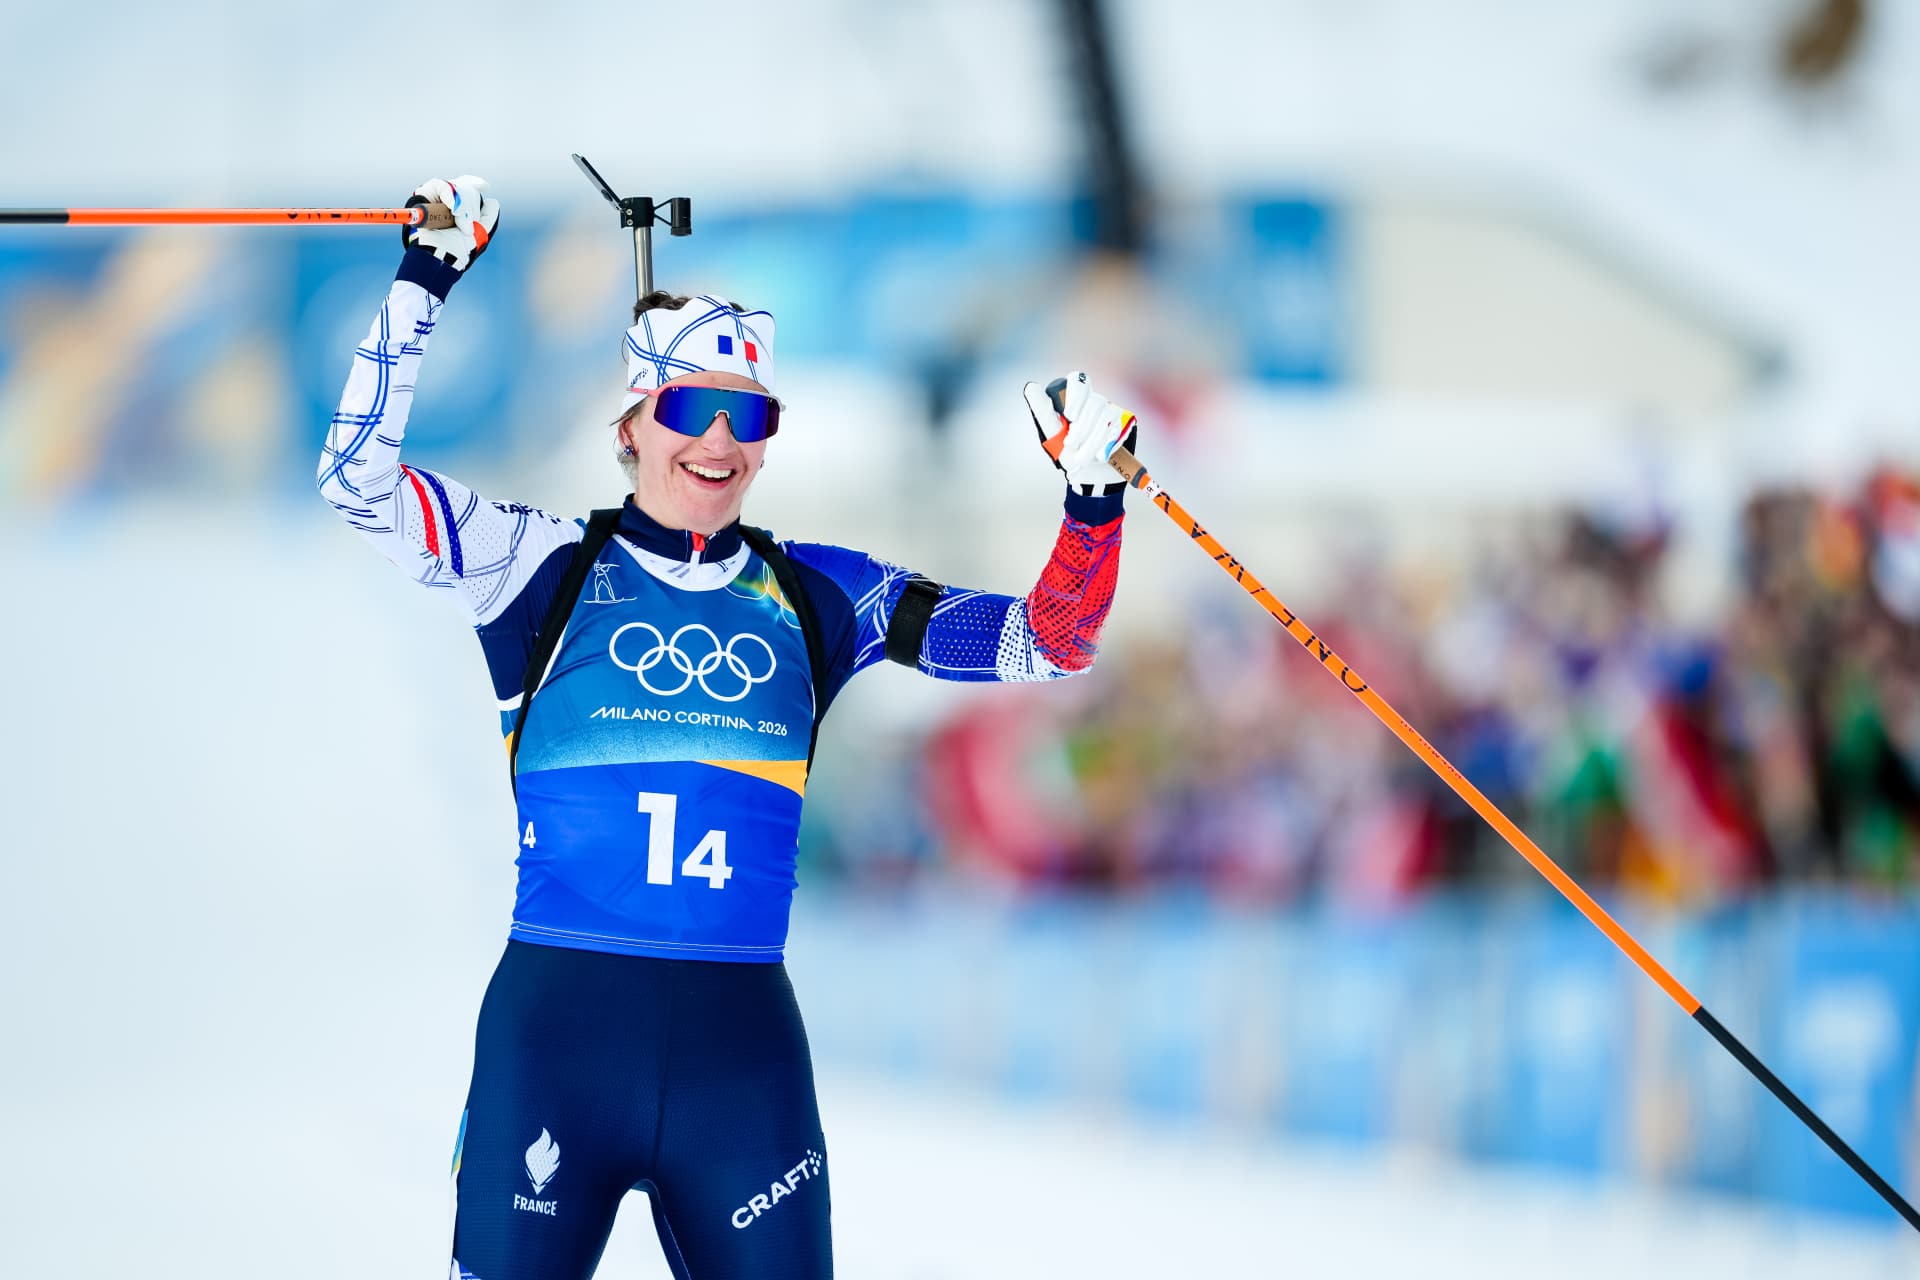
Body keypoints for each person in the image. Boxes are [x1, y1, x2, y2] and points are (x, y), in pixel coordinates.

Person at [317, 176, 1136, 1280]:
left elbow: (1045, 641)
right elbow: (356, 479)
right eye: (688, 409)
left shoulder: (818, 595)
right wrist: (428, 276)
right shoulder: (536, 564)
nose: (717, 440)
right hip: (558, 1039)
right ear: (630, 426)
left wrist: (1092, 502)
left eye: (747, 416)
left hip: (738, 1059)